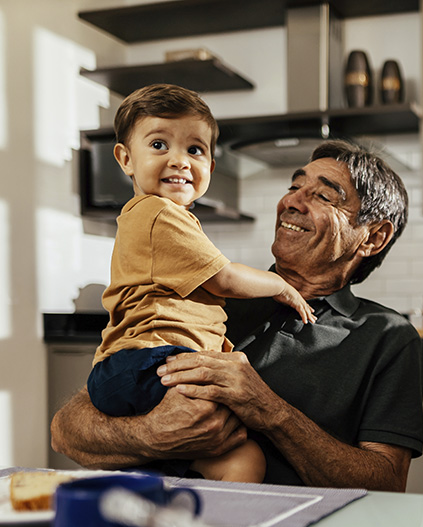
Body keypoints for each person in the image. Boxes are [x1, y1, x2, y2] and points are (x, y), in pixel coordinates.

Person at [51, 139, 423, 492]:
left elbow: (387, 483)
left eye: (324, 195)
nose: (292, 201)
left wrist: (269, 410)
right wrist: (152, 433)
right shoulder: (204, 298)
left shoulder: (387, 337)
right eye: (294, 186)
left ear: (373, 237)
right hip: (153, 520)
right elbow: (67, 429)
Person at [88, 84, 316, 485]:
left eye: (195, 150)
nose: (179, 160)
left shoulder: (155, 217)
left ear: (211, 163)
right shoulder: (159, 212)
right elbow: (226, 277)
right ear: (125, 158)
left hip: (131, 365)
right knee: (232, 437)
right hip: (150, 361)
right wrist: (280, 286)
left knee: (232, 458)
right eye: (159, 144)